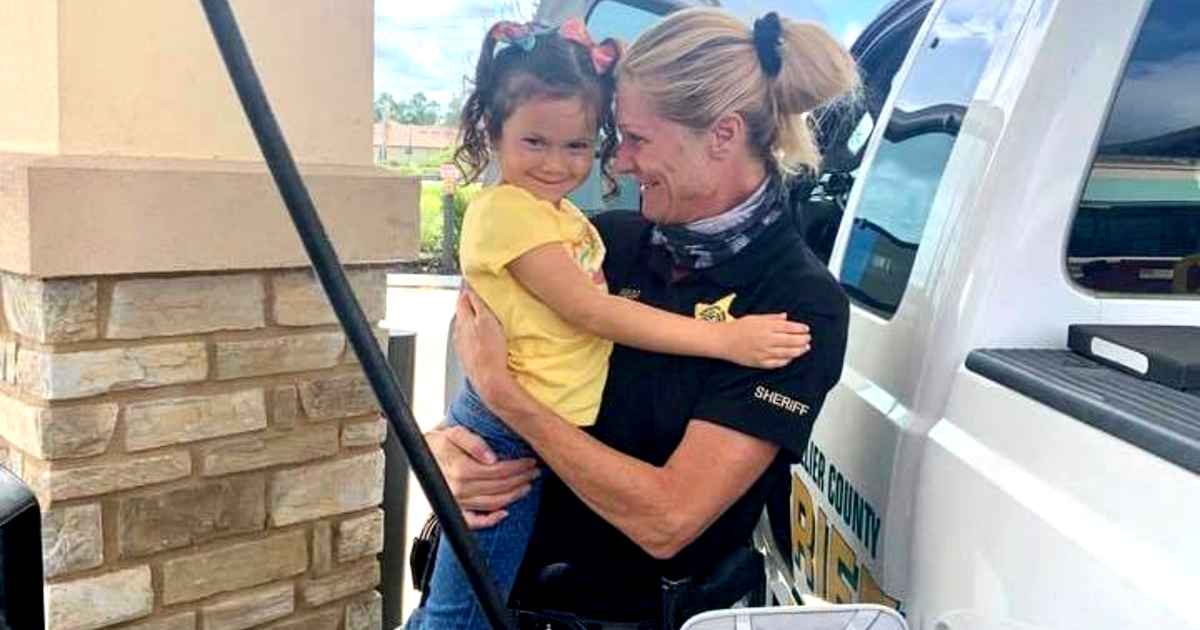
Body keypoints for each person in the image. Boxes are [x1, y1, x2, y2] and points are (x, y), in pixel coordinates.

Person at [432, 7, 860, 624]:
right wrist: (449, 450)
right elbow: (487, 351)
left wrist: (509, 402)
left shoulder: (796, 304)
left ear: (721, 134)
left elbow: (667, 519)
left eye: (636, 139)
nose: (620, 161)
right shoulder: (607, 242)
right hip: (509, 599)